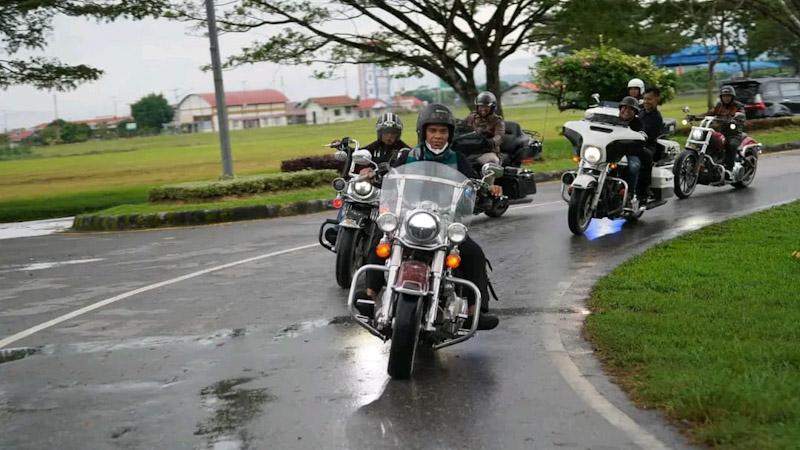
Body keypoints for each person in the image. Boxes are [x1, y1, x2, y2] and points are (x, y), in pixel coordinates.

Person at [359, 103, 501, 331]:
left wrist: (489, 189)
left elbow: (473, 187)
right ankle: (369, 296)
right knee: (381, 240)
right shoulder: (407, 156)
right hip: (408, 217)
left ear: (450, 134)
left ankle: (477, 311)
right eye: (433, 131)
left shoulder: (459, 159)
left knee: (474, 253)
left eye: (443, 131)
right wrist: (372, 176)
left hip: (444, 223)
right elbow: (389, 177)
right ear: (423, 131)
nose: (437, 136)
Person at [325, 113, 410, 244]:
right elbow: (358, 154)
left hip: (393, 190)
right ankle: (338, 228)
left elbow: (414, 165)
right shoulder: (374, 147)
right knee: (351, 195)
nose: (389, 136)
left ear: (398, 134)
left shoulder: (405, 151)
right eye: (386, 132)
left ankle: (396, 237)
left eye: (393, 133)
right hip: (372, 188)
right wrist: (346, 149)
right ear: (380, 133)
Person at [697, 85, 745, 177]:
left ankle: (729, 169)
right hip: (720, 132)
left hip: (733, 134)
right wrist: (695, 117)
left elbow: (742, 115)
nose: (726, 98)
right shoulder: (719, 106)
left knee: (732, 145)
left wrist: (737, 119)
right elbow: (710, 113)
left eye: (728, 96)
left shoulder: (738, 106)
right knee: (707, 140)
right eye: (724, 96)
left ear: (732, 97)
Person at [615, 96, 653, 203]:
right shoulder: (613, 119)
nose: (626, 110)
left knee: (633, 166)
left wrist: (640, 136)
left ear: (635, 112)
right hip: (612, 152)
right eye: (624, 107)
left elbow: (642, 135)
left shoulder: (638, 123)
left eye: (630, 109)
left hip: (630, 152)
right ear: (620, 108)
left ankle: (629, 194)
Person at [465, 91, 505, 167]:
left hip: (488, 151)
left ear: (492, 107)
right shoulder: (472, 117)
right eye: (481, 106)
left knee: (492, 161)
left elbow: (500, 136)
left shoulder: (497, 121)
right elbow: (462, 127)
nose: (483, 109)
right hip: (471, 150)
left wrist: (490, 142)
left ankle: (490, 178)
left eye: (486, 106)